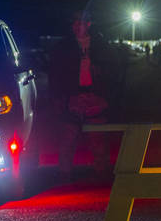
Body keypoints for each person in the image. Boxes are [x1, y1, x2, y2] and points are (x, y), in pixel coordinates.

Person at [48, 11, 116, 180]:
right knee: (68, 138)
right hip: (72, 97)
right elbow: (55, 74)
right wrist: (60, 98)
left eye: (82, 22)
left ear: (89, 24)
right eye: (75, 23)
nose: (78, 26)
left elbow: (113, 72)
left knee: (98, 139)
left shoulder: (101, 45)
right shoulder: (63, 47)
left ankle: (102, 175)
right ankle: (64, 176)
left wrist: (107, 97)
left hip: (95, 97)